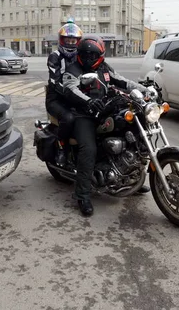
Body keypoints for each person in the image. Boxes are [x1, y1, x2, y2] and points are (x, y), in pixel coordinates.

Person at [62, 35, 152, 217]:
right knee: (89, 149)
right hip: (83, 114)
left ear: (100, 55)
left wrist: (145, 90)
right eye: (85, 55)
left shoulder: (104, 68)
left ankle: (133, 177)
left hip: (104, 110)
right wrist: (88, 102)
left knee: (132, 133)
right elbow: (71, 89)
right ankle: (82, 195)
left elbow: (122, 81)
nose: (89, 59)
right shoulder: (73, 69)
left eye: (93, 55)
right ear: (79, 54)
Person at [45, 19, 83, 167]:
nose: (71, 43)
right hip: (56, 99)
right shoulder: (55, 56)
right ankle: (62, 147)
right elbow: (54, 82)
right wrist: (73, 94)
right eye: (68, 40)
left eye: (74, 40)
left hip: (75, 96)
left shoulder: (80, 56)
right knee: (69, 118)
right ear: (62, 40)